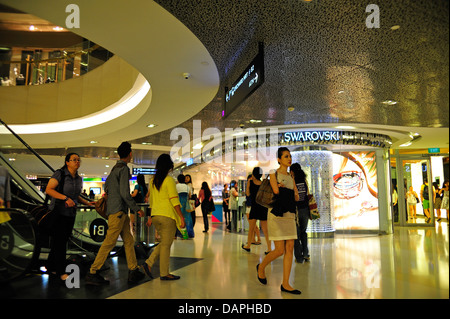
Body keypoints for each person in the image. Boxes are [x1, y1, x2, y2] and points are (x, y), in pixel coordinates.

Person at [85, 142, 145, 285]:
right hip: (119, 212)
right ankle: (93, 271)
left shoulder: (113, 170)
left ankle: (133, 269)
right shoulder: (123, 169)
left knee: (128, 240)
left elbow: (109, 191)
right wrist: (137, 208)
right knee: (109, 242)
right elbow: (125, 193)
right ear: (129, 154)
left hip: (118, 212)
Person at [257, 147, 301, 295]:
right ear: (279, 159)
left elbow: (296, 197)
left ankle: (286, 284)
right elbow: (276, 191)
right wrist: (286, 189)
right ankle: (261, 267)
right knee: (279, 250)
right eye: (286, 156)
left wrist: (293, 191)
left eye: (290, 156)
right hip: (277, 215)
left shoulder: (291, 176)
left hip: (289, 214)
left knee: (290, 249)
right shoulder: (272, 173)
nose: (289, 159)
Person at [45, 153, 94, 282]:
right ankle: (61, 272)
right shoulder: (60, 174)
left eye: (78, 160)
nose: (77, 162)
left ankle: (50, 266)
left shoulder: (79, 179)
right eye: (74, 160)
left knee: (60, 241)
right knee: (60, 243)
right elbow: (49, 190)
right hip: (58, 213)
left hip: (70, 214)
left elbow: (76, 196)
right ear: (67, 162)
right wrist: (65, 198)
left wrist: (87, 203)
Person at [142, 154, 185, 280]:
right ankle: (163, 273)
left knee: (164, 243)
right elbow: (174, 200)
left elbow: (151, 201)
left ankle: (149, 264)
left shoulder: (152, 181)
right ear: (169, 166)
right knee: (166, 245)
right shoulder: (169, 180)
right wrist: (181, 217)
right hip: (167, 216)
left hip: (156, 216)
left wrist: (150, 217)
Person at [242, 168, 269, 253]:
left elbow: (247, 193)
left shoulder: (250, 182)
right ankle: (269, 248)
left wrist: (248, 184)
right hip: (263, 207)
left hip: (254, 207)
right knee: (265, 229)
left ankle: (248, 245)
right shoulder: (263, 183)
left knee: (251, 228)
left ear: (253, 174)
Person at [290, 163, 310, 263]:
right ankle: (306, 253)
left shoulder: (292, 182)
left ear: (292, 171)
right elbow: (307, 194)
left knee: (296, 235)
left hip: (296, 211)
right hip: (305, 209)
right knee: (303, 232)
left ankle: (299, 257)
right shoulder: (304, 180)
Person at [176, 174, 194, 238]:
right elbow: (190, 196)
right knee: (187, 219)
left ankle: (179, 234)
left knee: (179, 218)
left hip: (178, 204)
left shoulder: (176, 186)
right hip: (186, 204)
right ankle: (188, 233)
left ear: (178, 180)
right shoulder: (187, 187)